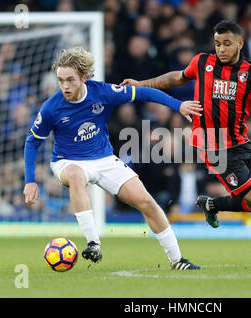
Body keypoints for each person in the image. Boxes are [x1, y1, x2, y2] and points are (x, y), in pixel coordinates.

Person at [121, 21, 251, 266]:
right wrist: (141, 84)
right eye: (217, 44)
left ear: (240, 43)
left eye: (226, 44)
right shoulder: (202, 62)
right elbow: (176, 78)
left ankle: (212, 203)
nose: (221, 49)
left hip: (240, 143)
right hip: (212, 145)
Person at [23, 47, 201, 270]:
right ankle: (93, 243)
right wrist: (30, 181)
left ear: (84, 78)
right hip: (67, 161)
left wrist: (179, 105)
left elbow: (144, 93)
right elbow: (32, 142)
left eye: (70, 80)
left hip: (105, 160)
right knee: (77, 176)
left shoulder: (103, 92)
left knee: (147, 203)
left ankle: (177, 260)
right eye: (60, 80)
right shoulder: (51, 108)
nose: (65, 86)